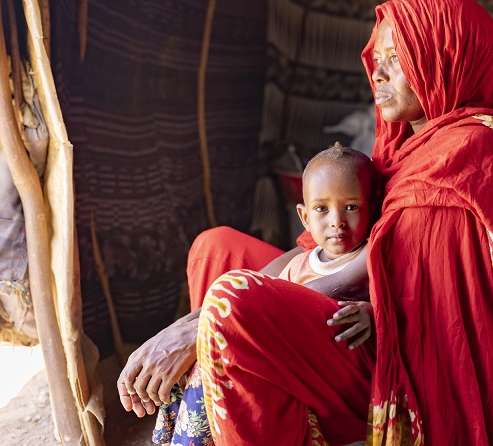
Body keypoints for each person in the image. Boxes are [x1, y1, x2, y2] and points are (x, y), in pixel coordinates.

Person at [121, 0, 493, 445]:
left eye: (398, 58)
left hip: (398, 352)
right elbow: (317, 249)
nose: (378, 71)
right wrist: (191, 321)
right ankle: (250, 417)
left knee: (233, 301)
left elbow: (384, 268)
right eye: (379, 57)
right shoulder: (405, 146)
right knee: (217, 248)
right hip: (355, 318)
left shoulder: (471, 150)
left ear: (445, 59)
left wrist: (201, 328)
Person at [151, 143, 379, 445]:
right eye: (322, 209)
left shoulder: (373, 256)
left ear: (374, 208)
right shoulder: (299, 265)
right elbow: (269, 303)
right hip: (282, 367)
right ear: (305, 217)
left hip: (333, 378)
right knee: (209, 356)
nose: (336, 221)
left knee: (227, 312)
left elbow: (394, 303)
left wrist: (372, 314)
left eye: (351, 207)